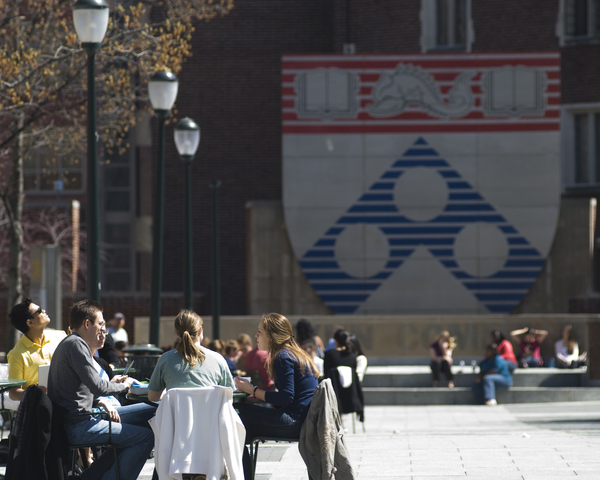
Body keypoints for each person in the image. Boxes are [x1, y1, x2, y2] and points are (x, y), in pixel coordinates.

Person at [48, 299, 154, 480]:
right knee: (145, 437)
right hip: (79, 425)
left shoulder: (73, 343)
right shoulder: (76, 345)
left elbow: (82, 390)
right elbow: (98, 386)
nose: (105, 329)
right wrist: (124, 385)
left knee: (153, 411)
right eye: (101, 324)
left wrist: (106, 391)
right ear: (87, 324)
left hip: (84, 417)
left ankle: (89, 477)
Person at [234, 313, 319, 479]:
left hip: (293, 422)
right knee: (241, 431)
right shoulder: (294, 353)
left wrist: (251, 390)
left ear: (271, 336)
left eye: (260, 332)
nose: (256, 335)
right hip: (303, 420)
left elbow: (286, 397)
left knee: (236, 411)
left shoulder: (282, 357)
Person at [148, 310, 234, 402]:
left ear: (177, 333)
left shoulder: (165, 359)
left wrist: (169, 396)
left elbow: (153, 397)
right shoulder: (218, 359)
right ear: (200, 330)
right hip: (209, 416)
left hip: (175, 416)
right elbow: (229, 395)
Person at [7, 297, 67, 401]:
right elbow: (13, 393)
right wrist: (34, 392)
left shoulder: (60, 336)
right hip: (41, 409)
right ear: (30, 323)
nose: (43, 311)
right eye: (39, 311)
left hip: (67, 400)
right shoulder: (17, 354)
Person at [323, 329, 364, 422]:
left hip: (333, 394)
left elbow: (326, 374)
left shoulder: (329, 354)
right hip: (350, 395)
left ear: (335, 341)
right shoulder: (352, 356)